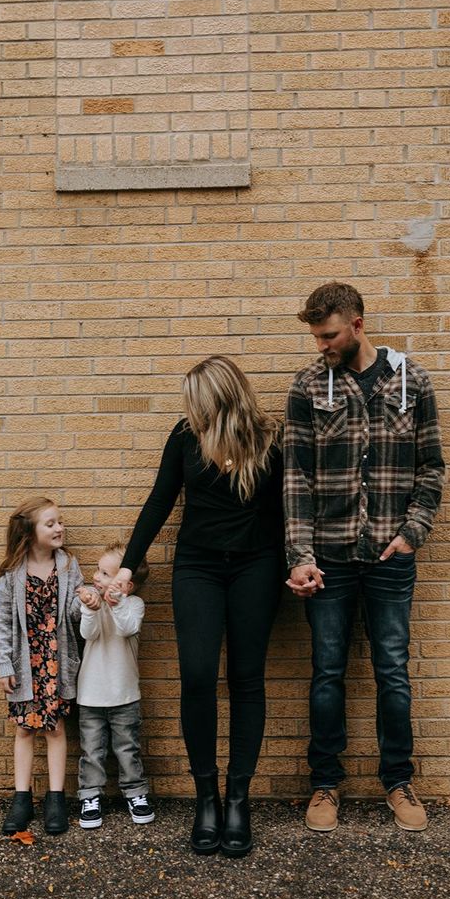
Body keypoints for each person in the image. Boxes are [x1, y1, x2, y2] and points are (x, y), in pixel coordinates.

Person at [284, 281, 445, 833]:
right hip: (327, 557)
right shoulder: (307, 385)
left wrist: (412, 532)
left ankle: (398, 782)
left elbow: (432, 466)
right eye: (315, 336)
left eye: (329, 335)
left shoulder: (411, 380)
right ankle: (325, 785)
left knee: (392, 672)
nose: (321, 345)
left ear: (356, 324)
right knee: (327, 671)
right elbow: (296, 479)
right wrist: (300, 554)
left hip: (390, 555)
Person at [107, 356, 283, 857]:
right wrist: (126, 568)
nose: (190, 410)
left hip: (257, 567)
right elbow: (159, 502)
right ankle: (207, 796)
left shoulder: (271, 438)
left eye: (196, 402)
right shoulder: (186, 436)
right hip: (198, 569)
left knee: (246, 679)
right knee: (199, 676)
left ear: (218, 400)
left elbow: (291, 507)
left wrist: (300, 563)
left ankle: (238, 800)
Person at [0, 496, 83, 836]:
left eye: (60, 521)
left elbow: (74, 615)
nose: (60, 528)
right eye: (51, 523)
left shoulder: (69, 566)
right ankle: (22, 797)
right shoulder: (11, 574)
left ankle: (56, 798)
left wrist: (86, 601)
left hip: (56, 662)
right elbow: (1, 622)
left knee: (55, 728)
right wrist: (3, 663)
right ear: (30, 532)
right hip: (24, 664)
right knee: (25, 729)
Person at [75, 542, 154, 829]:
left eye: (105, 573)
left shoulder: (133, 605)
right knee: (92, 751)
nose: (96, 577)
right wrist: (90, 609)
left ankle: (136, 793)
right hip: (90, 695)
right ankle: (90, 796)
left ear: (126, 584)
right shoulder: (90, 601)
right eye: (97, 570)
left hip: (125, 695)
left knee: (127, 749)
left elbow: (127, 628)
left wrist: (115, 602)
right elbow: (89, 635)